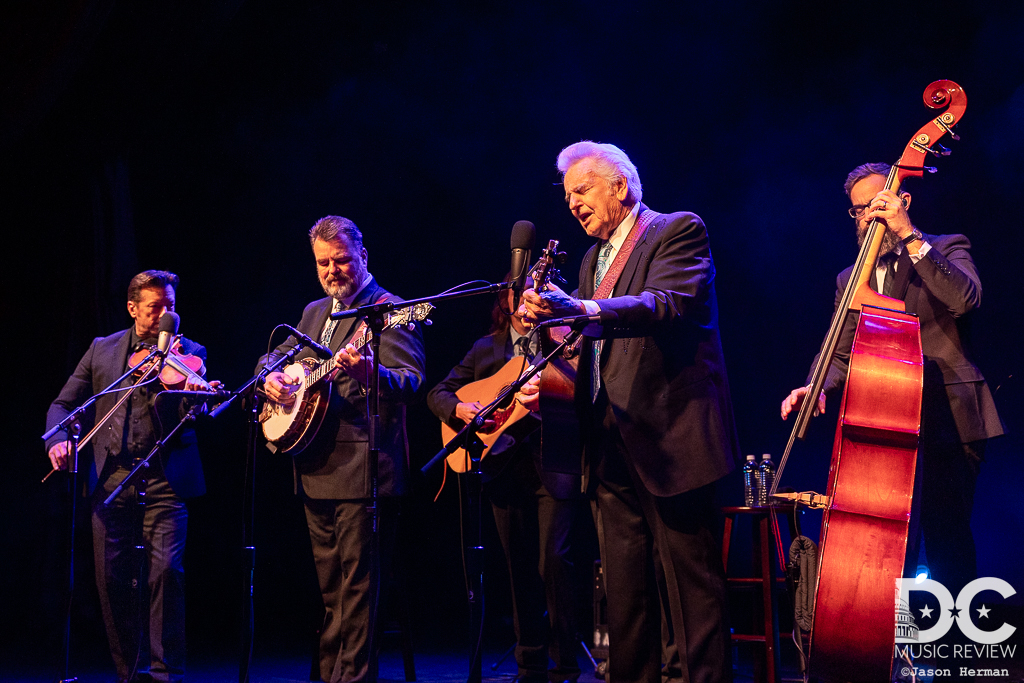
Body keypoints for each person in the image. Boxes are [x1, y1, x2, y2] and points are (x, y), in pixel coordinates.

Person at [519, 141, 739, 683]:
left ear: (620, 185)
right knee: (625, 596)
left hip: (672, 439)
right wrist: (545, 328)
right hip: (609, 442)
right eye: (567, 194)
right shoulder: (593, 259)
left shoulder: (677, 229)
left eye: (583, 189)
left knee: (692, 593)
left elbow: (668, 304)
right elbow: (585, 337)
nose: (572, 203)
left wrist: (582, 308)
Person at [781, 162, 1004, 602]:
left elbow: (965, 299)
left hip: (951, 418)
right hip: (887, 421)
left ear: (902, 202)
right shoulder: (851, 278)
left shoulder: (945, 246)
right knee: (888, 546)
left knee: (947, 540)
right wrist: (817, 386)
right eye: (858, 210)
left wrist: (908, 235)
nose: (866, 216)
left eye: (875, 205)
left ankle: (953, 661)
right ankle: (893, 654)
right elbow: (840, 349)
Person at [258, 216, 425, 683]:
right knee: (332, 592)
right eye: (323, 263)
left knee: (357, 592)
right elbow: (275, 355)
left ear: (363, 258)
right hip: (315, 466)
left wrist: (369, 373)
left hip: (364, 469)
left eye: (342, 260)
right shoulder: (315, 311)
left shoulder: (390, 310)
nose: (332, 270)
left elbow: (410, 382)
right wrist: (271, 374)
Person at [45, 270, 214, 683]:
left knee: (166, 574)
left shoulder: (189, 350)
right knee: (112, 579)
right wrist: (58, 440)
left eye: (170, 306)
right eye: (155, 307)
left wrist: (197, 397)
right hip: (111, 477)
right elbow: (63, 405)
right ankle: (128, 671)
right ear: (132, 308)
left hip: (165, 480)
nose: (164, 315)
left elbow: (196, 414)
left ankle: (166, 674)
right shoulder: (102, 350)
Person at [427, 284, 582, 683]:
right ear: (507, 300)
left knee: (554, 563)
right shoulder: (486, 348)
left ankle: (565, 663)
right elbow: (438, 392)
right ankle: (529, 666)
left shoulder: (564, 341)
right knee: (518, 569)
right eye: (524, 292)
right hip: (502, 468)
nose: (532, 300)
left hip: (555, 465)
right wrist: (460, 409)